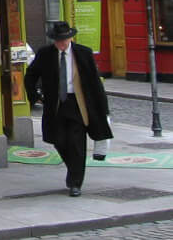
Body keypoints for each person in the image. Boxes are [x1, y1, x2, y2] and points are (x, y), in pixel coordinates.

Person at [24, 21, 112, 197]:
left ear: (71, 38)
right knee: (59, 141)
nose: (61, 43)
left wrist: (103, 107)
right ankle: (73, 169)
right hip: (56, 104)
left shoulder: (83, 53)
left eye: (64, 40)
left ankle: (75, 182)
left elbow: (95, 82)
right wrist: (35, 96)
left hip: (78, 104)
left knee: (77, 142)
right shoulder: (45, 54)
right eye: (58, 40)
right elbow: (31, 76)